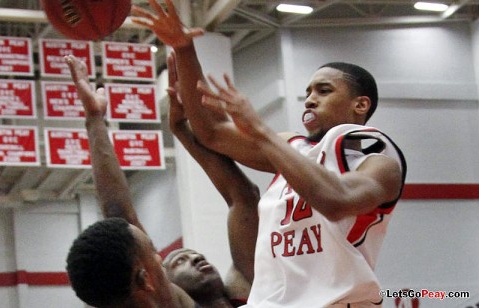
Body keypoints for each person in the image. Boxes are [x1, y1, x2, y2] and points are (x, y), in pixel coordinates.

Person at [131, 0, 407, 307]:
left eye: (324, 91)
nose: (310, 101)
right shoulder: (292, 148)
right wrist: (184, 49)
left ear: (360, 104)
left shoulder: (380, 163)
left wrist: (261, 132)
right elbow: (211, 132)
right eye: (308, 93)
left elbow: (336, 200)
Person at [64, 54, 259, 307]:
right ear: (149, 280)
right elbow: (121, 215)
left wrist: (181, 128)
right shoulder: (170, 302)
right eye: (165, 260)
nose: (196, 259)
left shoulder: (243, 288)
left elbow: (244, 197)